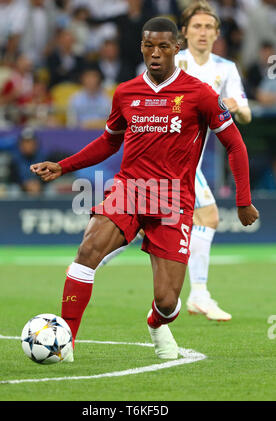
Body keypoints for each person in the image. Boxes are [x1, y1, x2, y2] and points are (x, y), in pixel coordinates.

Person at [31, 17, 259, 362]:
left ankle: (156, 323)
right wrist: (64, 166)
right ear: (141, 47)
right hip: (129, 188)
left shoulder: (199, 94)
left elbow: (235, 145)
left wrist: (243, 201)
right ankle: (66, 343)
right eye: (149, 46)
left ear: (175, 49)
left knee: (168, 301)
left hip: (173, 199)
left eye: (163, 46)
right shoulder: (126, 92)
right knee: (87, 251)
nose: (155, 53)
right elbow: (108, 143)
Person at [105, 0, 252, 322]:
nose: (203, 32)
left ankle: (98, 259)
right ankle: (197, 295)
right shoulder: (175, 60)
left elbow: (247, 113)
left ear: (216, 33)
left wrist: (229, 105)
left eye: (209, 27)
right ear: (183, 33)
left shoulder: (225, 68)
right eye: (196, 26)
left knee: (192, 220)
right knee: (208, 217)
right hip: (170, 161)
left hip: (194, 160)